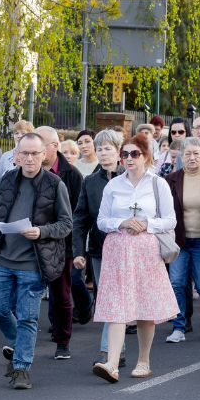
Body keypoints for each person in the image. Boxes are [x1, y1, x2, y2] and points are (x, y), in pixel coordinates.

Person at [0, 134, 73, 389]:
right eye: (25, 154)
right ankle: (21, 343)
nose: (29, 158)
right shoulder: (6, 180)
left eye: (35, 154)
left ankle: (21, 368)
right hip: (1, 259)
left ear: (44, 155)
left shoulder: (55, 184)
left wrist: (41, 232)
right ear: (16, 155)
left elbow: (66, 224)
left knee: (29, 317)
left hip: (33, 263)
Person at [91, 136, 179, 383]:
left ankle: (143, 361)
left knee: (144, 307)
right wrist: (121, 222)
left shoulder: (158, 184)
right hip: (117, 250)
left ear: (146, 155)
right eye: (125, 154)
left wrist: (146, 224)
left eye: (134, 154)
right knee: (117, 306)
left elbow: (171, 220)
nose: (128, 158)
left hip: (147, 251)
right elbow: (101, 221)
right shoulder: (113, 186)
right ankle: (111, 364)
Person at [73, 130, 129, 368]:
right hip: (100, 248)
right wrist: (78, 251)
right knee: (108, 298)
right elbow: (81, 218)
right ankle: (113, 351)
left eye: (108, 149)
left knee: (120, 297)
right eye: (99, 149)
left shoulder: (133, 177)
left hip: (129, 248)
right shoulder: (90, 182)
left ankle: (111, 351)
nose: (103, 154)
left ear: (119, 152)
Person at [163, 138, 200, 343]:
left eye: (196, 153)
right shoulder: (171, 179)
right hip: (180, 241)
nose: (192, 157)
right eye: (188, 153)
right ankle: (179, 327)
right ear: (181, 156)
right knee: (176, 283)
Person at [36, 126, 84, 359]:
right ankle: (20, 340)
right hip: (31, 243)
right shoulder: (24, 170)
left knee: (61, 295)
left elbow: (76, 214)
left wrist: (75, 250)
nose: (35, 150)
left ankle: (62, 341)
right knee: (25, 292)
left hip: (60, 245)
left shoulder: (72, 175)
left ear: (55, 146)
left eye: (41, 144)